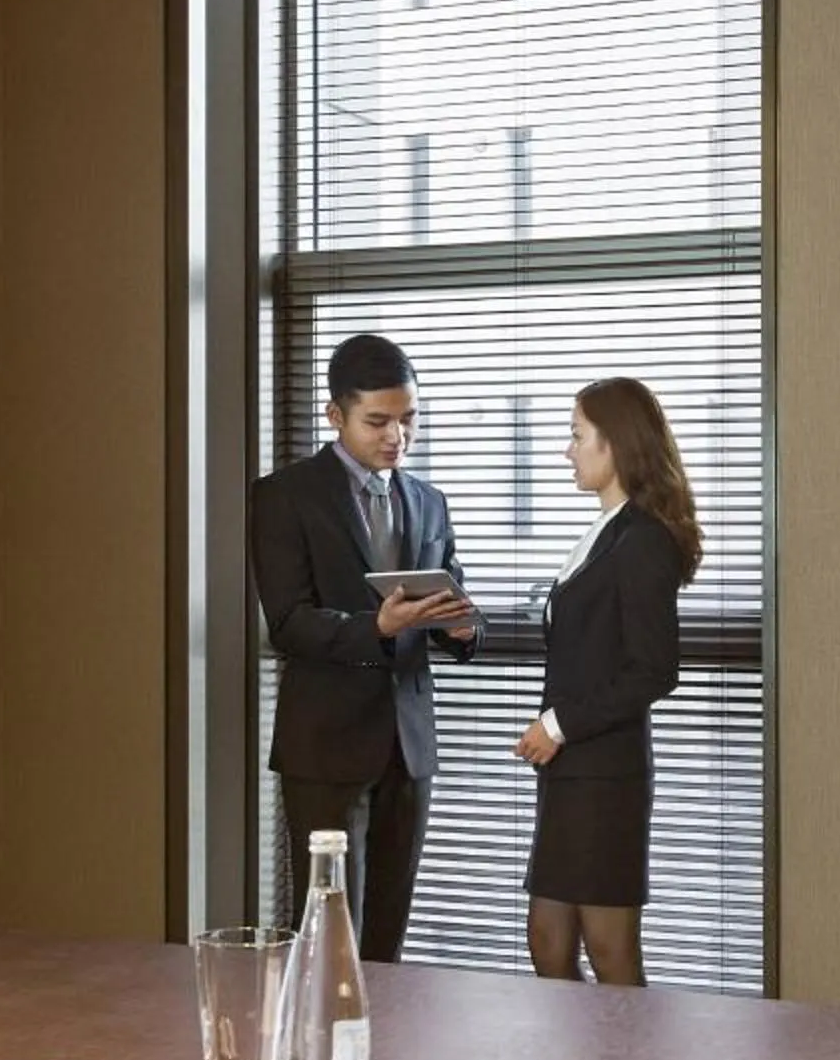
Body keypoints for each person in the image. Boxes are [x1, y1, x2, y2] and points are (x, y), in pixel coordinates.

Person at [252, 334, 476, 962]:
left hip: (408, 747)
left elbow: (452, 597)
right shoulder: (284, 496)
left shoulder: (429, 501)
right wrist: (376, 626)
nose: (397, 437)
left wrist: (462, 630)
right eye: (378, 422)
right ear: (336, 415)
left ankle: (384, 1031)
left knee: (387, 936)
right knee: (326, 936)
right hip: (325, 745)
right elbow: (289, 623)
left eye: (409, 419)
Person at [513, 377, 701, 986]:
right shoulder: (608, 530)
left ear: (614, 443)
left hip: (605, 777)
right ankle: (576, 1055)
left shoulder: (644, 539)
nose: (566, 450)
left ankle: (633, 1054)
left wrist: (557, 724)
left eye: (577, 436)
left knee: (610, 949)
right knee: (547, 941)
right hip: (570, 773)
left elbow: (653, 670)